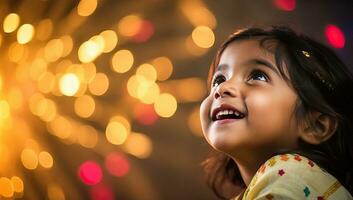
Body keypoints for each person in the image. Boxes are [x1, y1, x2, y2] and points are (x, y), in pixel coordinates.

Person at [199, 26, 353, 200]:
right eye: (219, 79)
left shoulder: (293, 175)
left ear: (315, 125)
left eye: (258, 76)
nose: (222, 88)